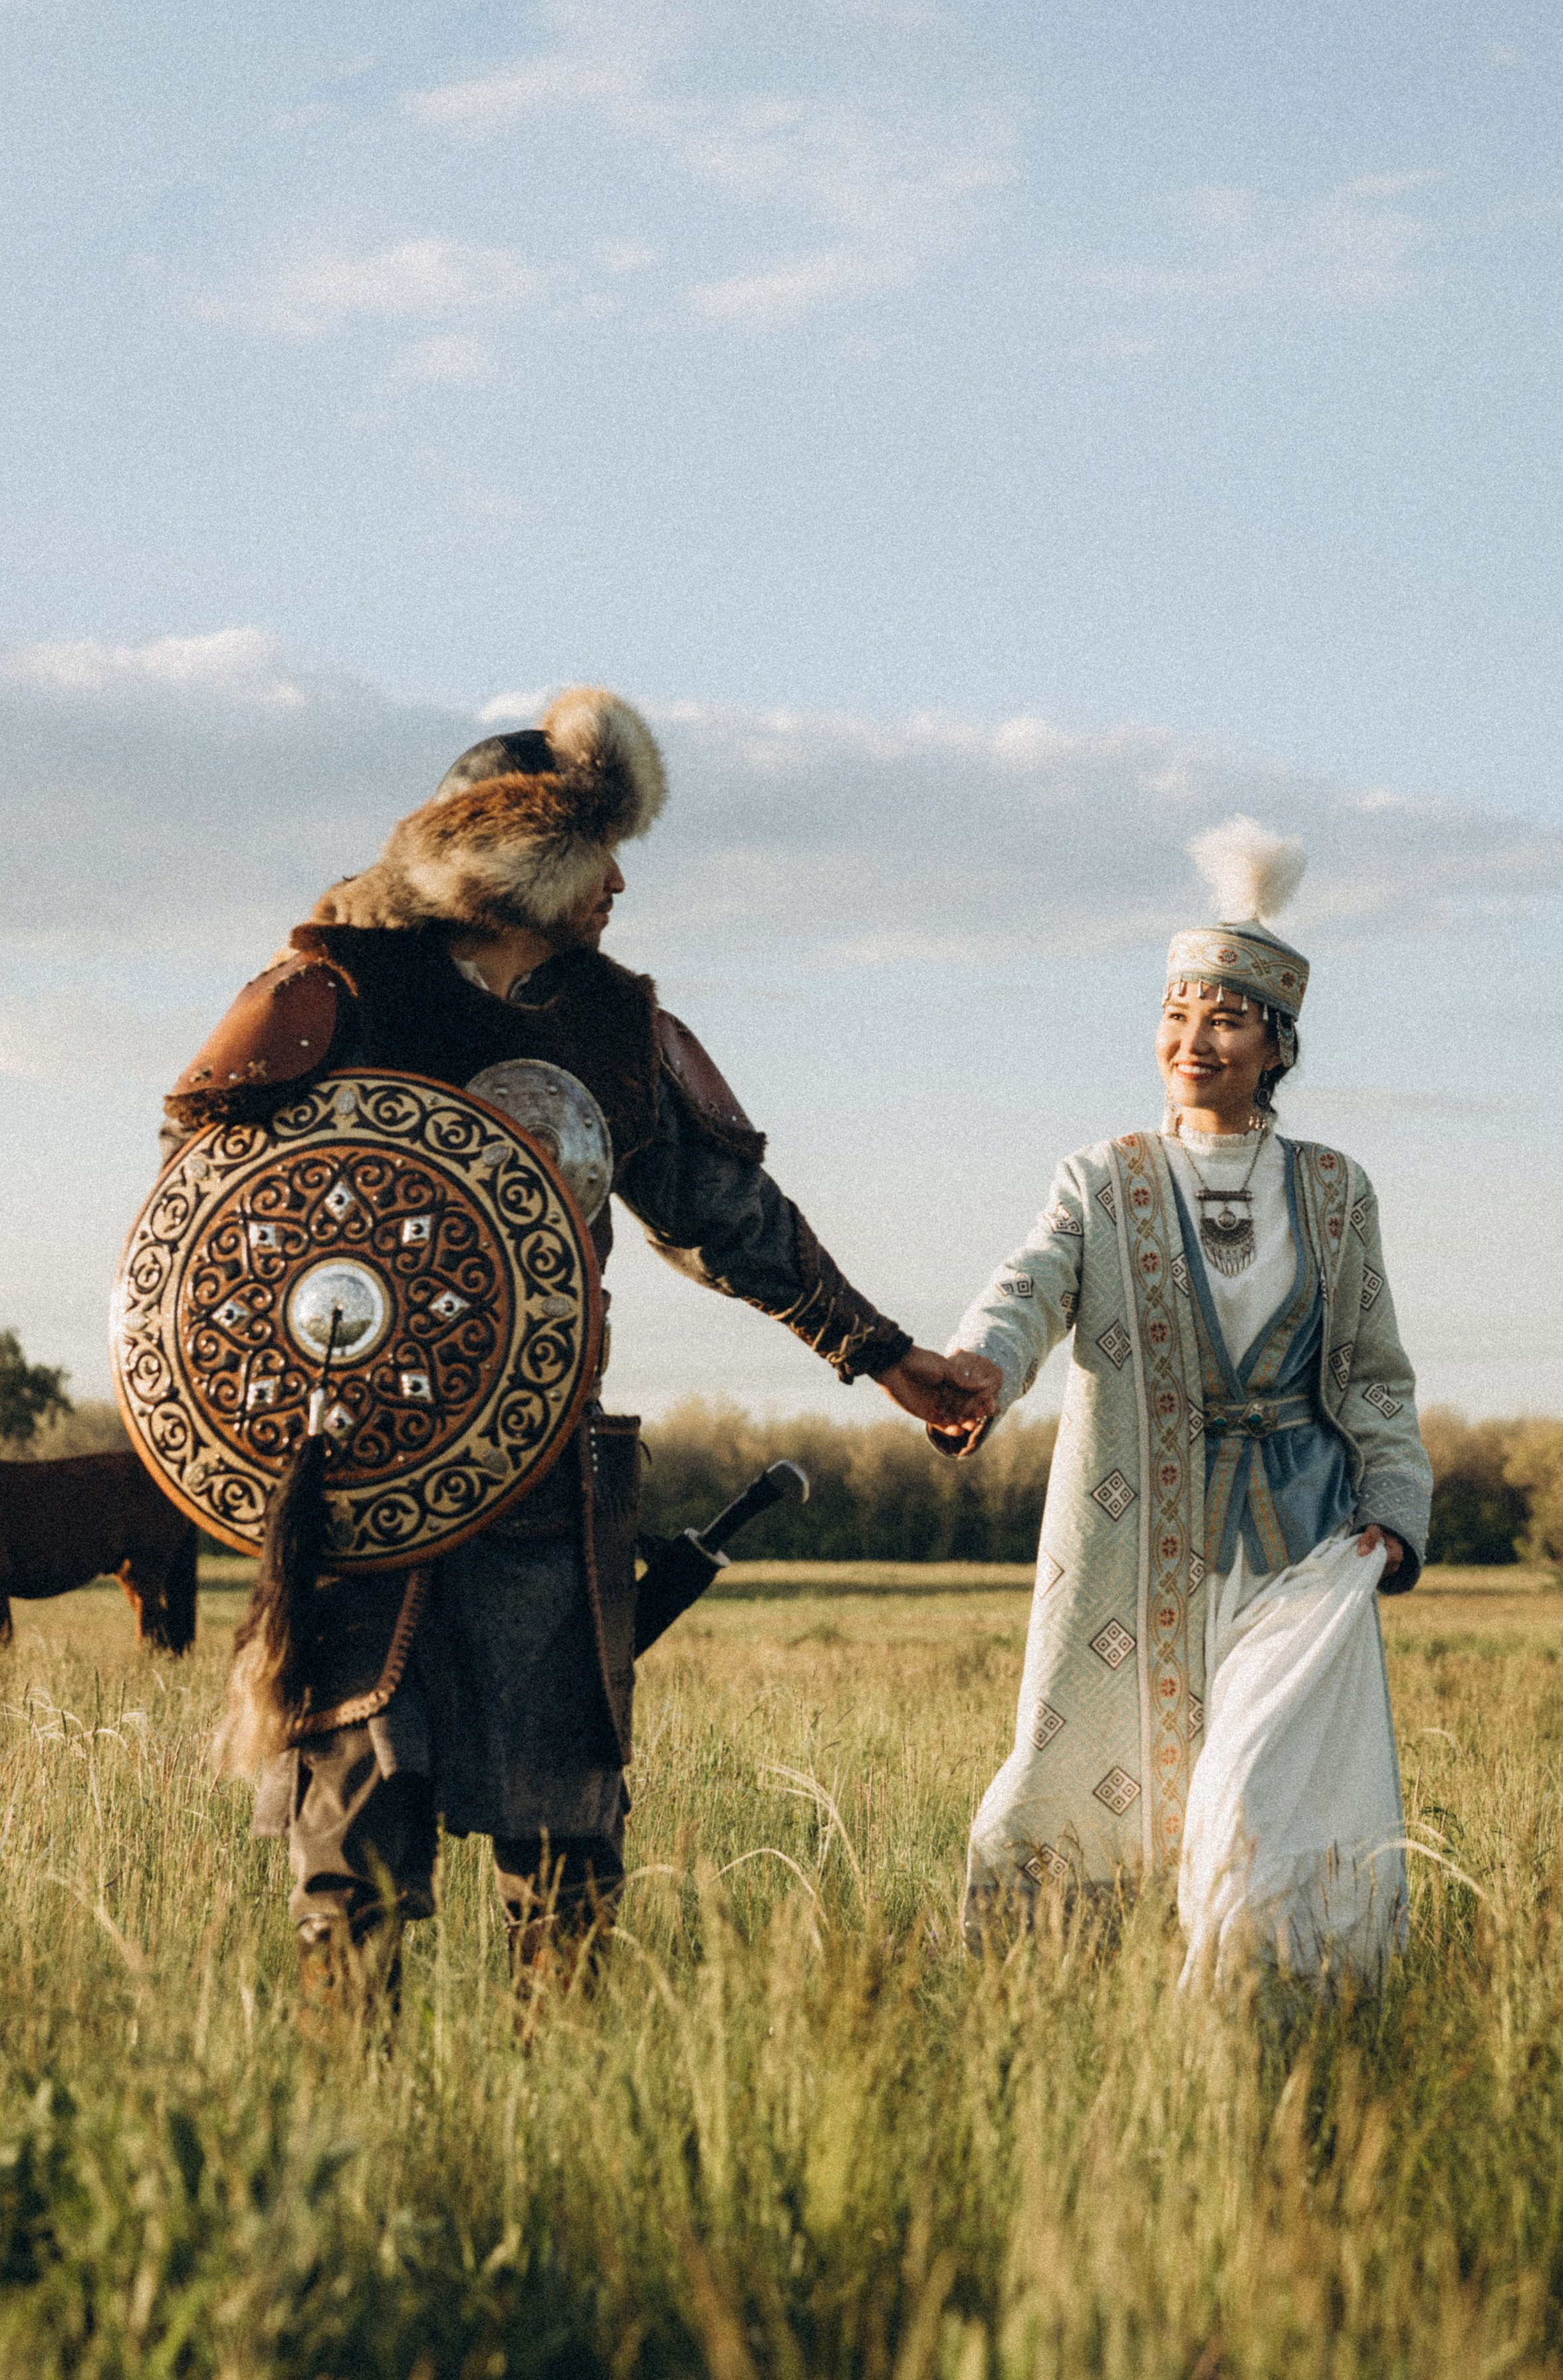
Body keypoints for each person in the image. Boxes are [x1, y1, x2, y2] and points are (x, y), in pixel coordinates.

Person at [162, 687, 995, 2004]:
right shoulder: (336, 991)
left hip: (540, 1474)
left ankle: (556, 2099)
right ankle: (348, 2107)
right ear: (512, 867)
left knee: (567, 1849)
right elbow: (212, 1216)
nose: (617, 886)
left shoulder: (614, 1026)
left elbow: (730, 1219)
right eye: (594, 858)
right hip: (364, 1481)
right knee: (354, 1835)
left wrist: (883, 1354)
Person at [931, 818, 1430, 1984]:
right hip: (1135, 1541)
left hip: (1305, 1548)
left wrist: (1396, 1509)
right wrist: (980, 1365)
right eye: (1177, 1013)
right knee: (1073, 1782)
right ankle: (1055, 1995)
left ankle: (1262, 2005)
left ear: (1278, 1043)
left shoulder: (1337, 1191)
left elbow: (1372, 1370)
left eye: (1227, 1018)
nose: (1194, 1040)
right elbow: (1028, 1286)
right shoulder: (1103, 1180)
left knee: (1260, 1787)